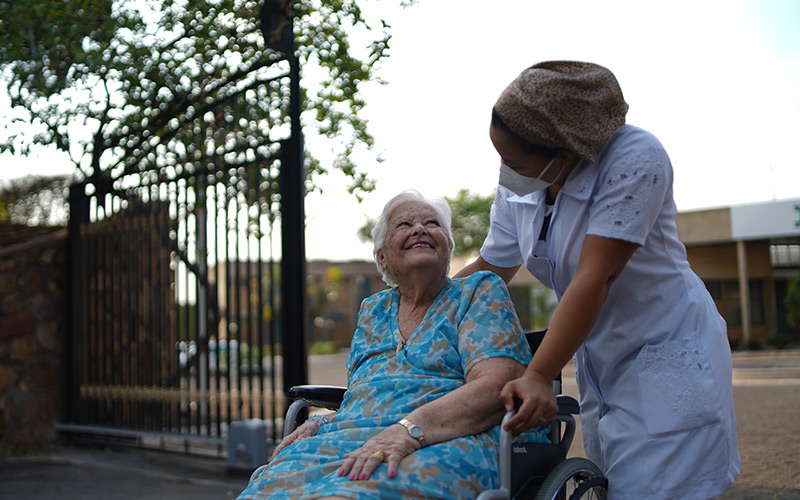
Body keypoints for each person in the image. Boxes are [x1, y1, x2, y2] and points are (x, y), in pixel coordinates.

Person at [455, 60, 740, 500]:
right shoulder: (525, 180)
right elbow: (494, 267)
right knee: (613, 485)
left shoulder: (635, 158)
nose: (503, 170)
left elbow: (597, 275)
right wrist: (419, 302)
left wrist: (538, 374)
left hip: (663, 348)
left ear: (564, 156)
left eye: (510, 160)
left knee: (657, 491)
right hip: (600, 358)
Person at [237, 189, 548, 500]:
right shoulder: (373, 310)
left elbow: (497, 386)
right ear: (382, 256)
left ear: (448, 246)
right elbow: (368, 398)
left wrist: (408, 430)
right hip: (356, 441)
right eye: (404, 225)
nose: (420, 229)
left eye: (432, 223)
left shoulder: (477, 292)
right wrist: (321, 421)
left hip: (448, 438)